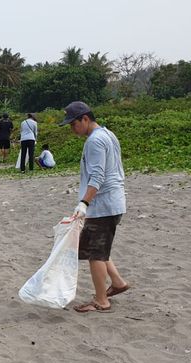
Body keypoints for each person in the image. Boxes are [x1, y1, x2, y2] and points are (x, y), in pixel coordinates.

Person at [59, 101, 129, 313]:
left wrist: (84, 203)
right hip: (112, 203)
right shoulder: (108, 134)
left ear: (86, 119)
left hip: (103, 205)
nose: (73, 129)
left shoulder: (95, 142)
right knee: (96, 247)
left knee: (95, 254)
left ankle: (101, 301)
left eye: (74, 124)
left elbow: (97, 176)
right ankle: (117, 283)